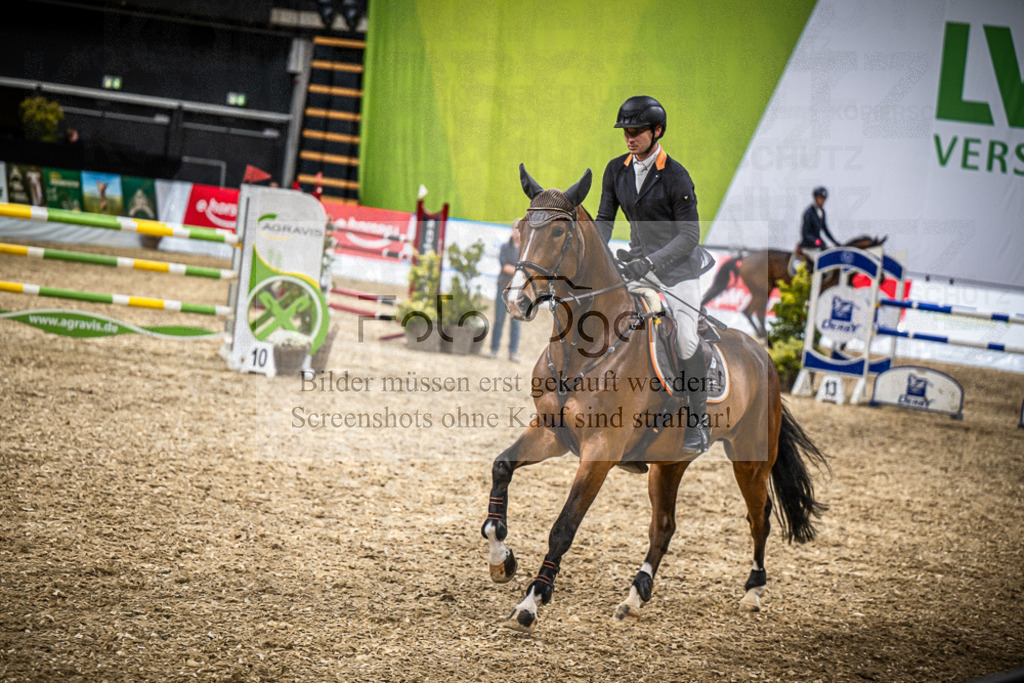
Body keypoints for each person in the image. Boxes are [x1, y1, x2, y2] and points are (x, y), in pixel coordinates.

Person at [596, 95, 715, 454]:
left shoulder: (676, 176)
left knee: (685, 341)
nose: (629, 138)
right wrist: (596, 256)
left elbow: (689, 235)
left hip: (678, 273)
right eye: (625, 132)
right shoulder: (616, 170)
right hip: (637, 266)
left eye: (636, 131)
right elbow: (604, 221)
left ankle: (697, 420)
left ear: (657, 131)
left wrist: (649, 263)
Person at [490, 220, 522, 362]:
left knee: (516, 323)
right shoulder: (505, 247)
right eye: (515, 228)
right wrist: (520, 271)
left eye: (519, 229)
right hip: (503, 288)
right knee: (499, 320)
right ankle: (494, 349)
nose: (517, 231)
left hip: (518, 291)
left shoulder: (525, 249)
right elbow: (505, 267)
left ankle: (513, 352)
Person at [799, 186, 839, 261]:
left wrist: (835, 242)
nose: (822, 201)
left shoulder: (822, 212)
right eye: (820, 198)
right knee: (820, 261)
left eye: (823, 199)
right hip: (808, 247)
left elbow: (825, 229)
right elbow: (805, 233)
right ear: (815, 198)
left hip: (817, 247)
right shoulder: (809, 213)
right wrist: (818, 242)